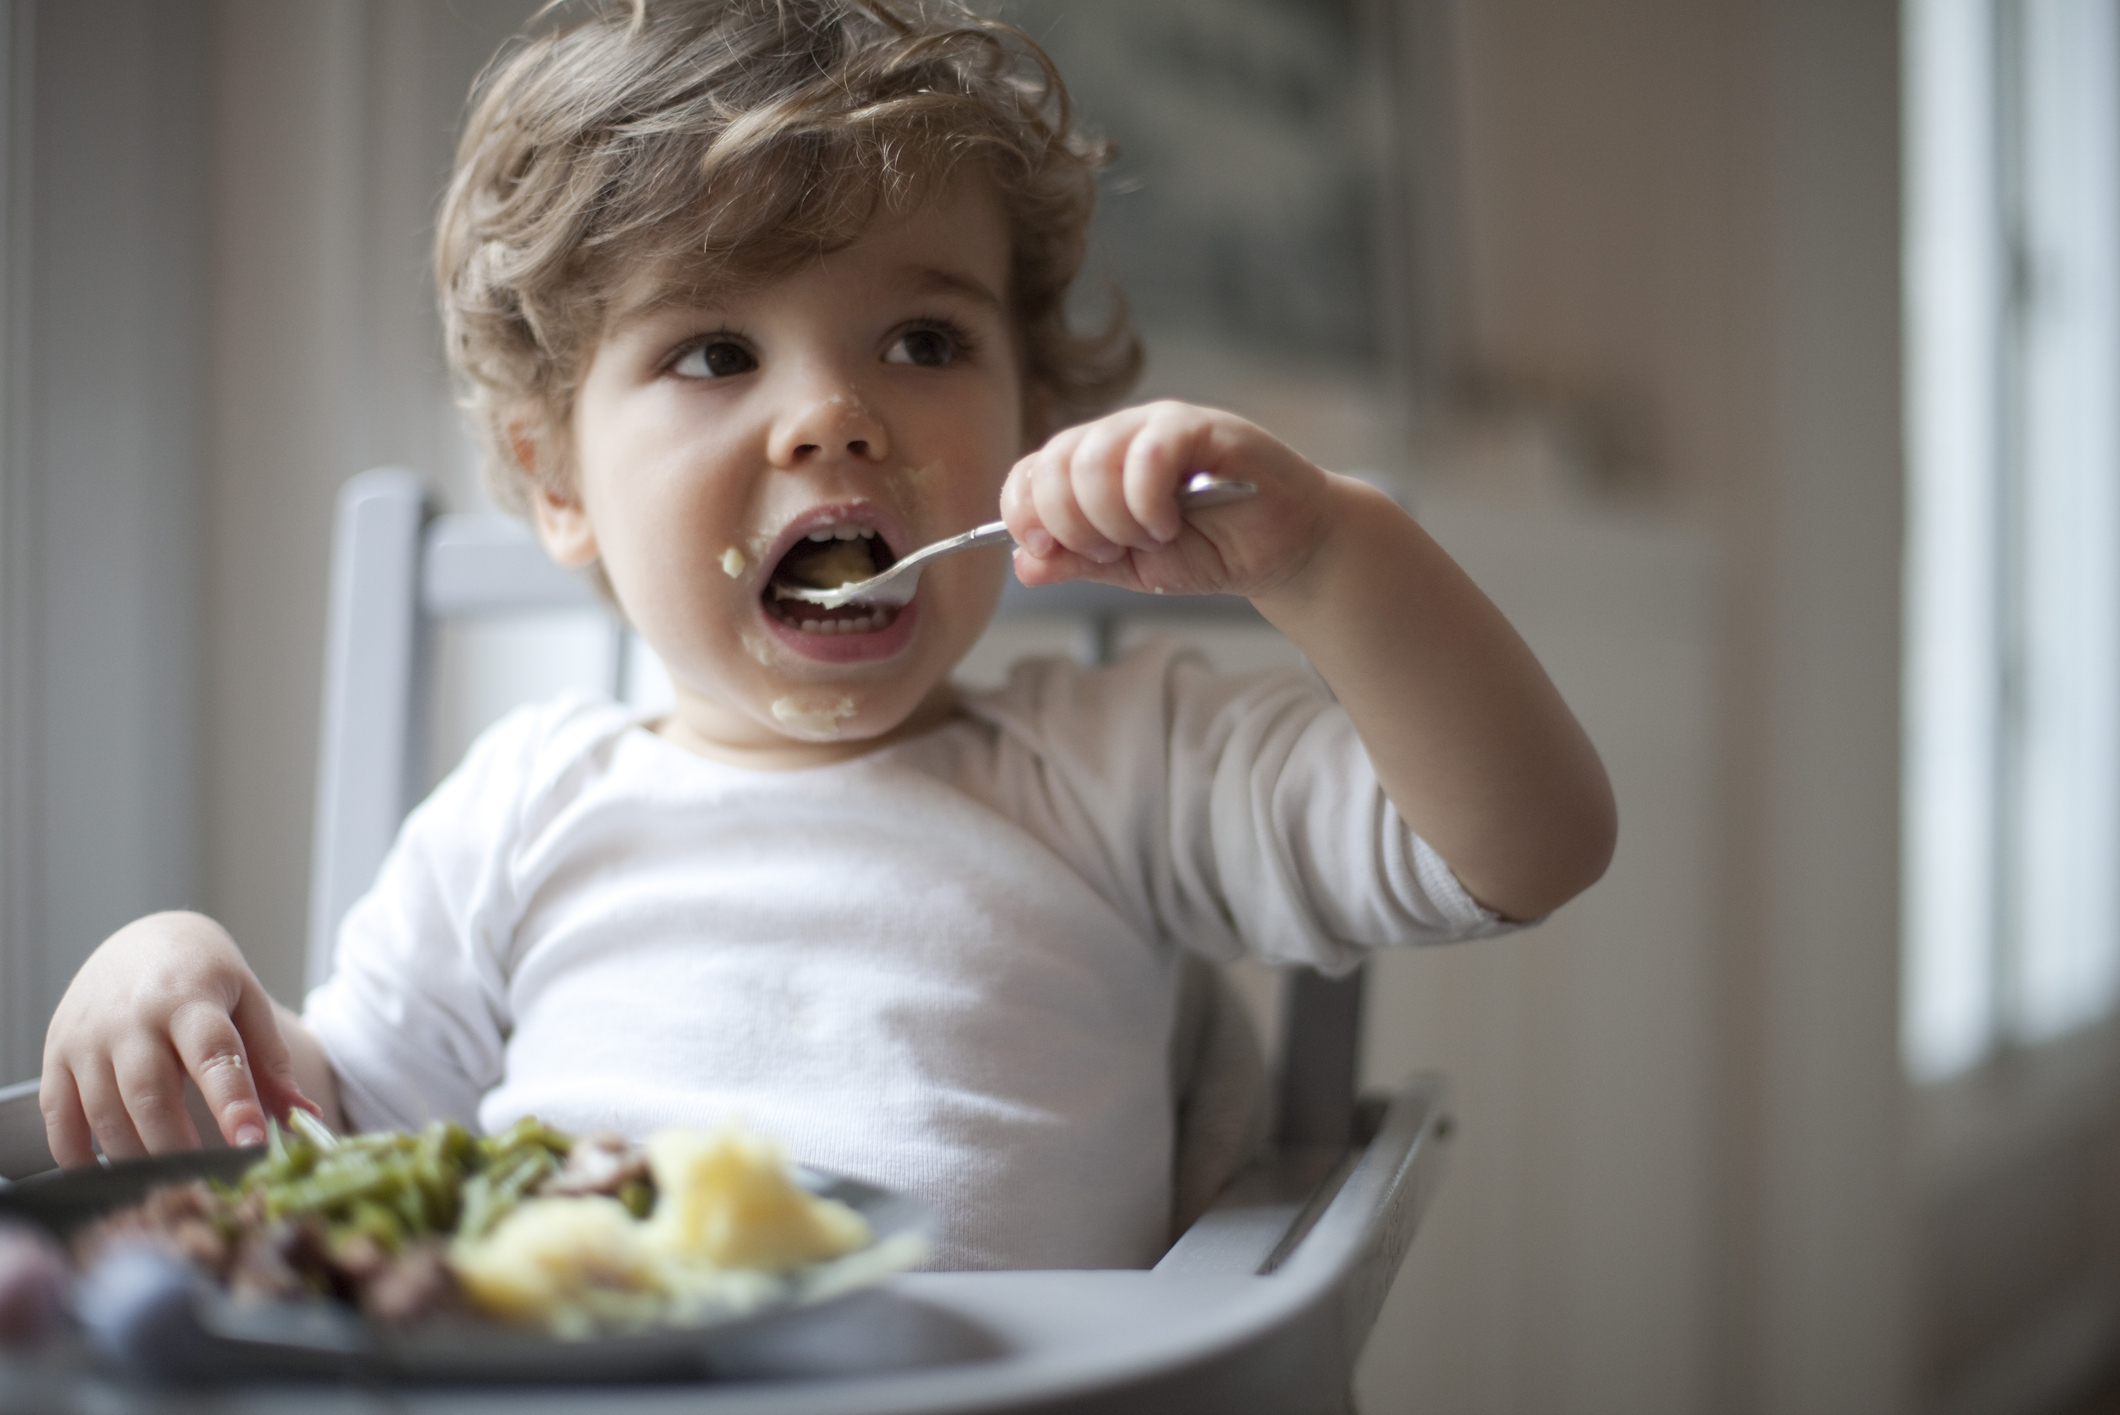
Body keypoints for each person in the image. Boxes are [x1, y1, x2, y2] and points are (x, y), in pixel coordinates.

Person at [40, 0, 1614, 1270]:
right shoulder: (520, 814)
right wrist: (171, 981)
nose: (837, 418)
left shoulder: (1121, 768)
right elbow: (342, 1154)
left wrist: (1334, 554)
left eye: (924, 340)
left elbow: (1527, 847)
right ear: (553, 476)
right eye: (716, 349)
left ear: (1034, 418)